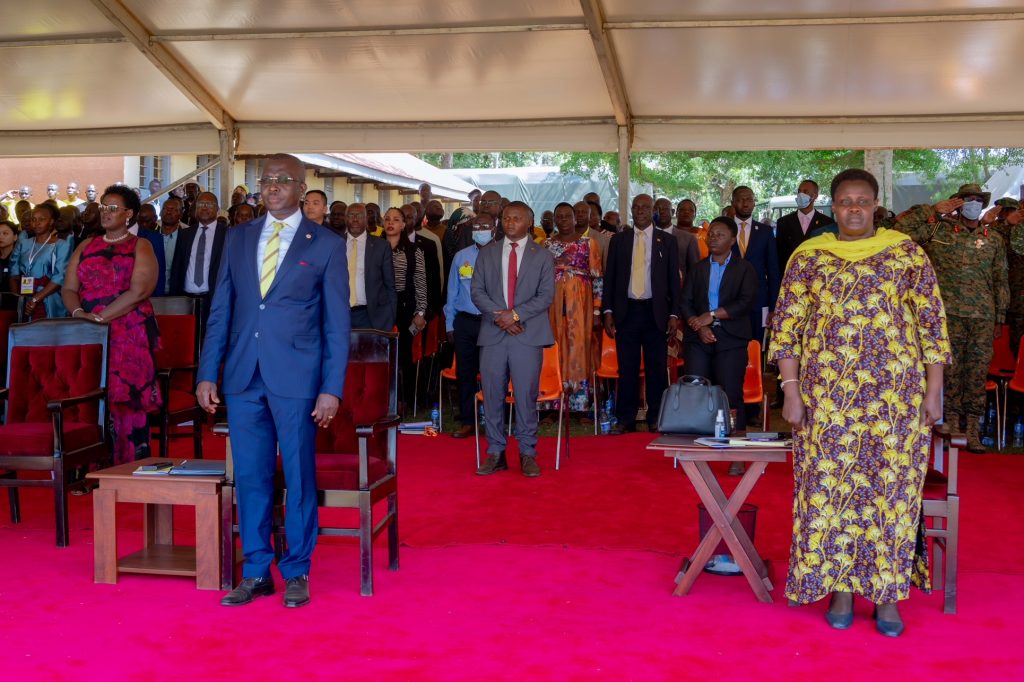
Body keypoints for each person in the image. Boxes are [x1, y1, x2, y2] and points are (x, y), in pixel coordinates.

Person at [769, 168, 949, 638]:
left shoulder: (906, 254)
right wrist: (790, 389)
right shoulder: (809, 257)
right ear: (833, 206)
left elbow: (931, 325)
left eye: (862, 200)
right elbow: (786, 328)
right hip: (828, 400)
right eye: (845, 201)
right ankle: (841, 588)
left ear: (876, 205)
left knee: (891, 494)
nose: (854, 208)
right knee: (828, 492)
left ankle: (887, 595)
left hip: (895, 399)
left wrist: (934, 391)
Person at [197, 153, 350, 609]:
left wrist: (331, 387)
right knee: (250, 477)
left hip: (299, 378)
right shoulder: (239, 237)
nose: (273, 186)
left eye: (284, 180)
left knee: (300, 475)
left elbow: (336, 323)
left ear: (303, 188)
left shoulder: (324, 243)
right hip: (244, 376)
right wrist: (208, 372)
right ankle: (257, 569)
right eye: (266, 180)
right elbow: (221, 308)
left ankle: (298, 569)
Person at [892, 183, 1008, 452]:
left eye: (979, 200)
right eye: (968, 199)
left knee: (977, 373)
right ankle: (952, 425)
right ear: (957, 202)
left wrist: (1000, 316)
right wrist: (932, 210)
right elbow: (900, 233)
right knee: (951, 371)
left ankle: (974, 430)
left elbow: (1001, 278)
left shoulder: (993, 238)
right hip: (947, 314)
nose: (974, 203)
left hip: (982, 315)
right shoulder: (938, 230)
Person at [62, 184, 161, 465]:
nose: (105, 212)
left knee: (125, 400)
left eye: (113, 208)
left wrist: (100, 318)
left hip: (127, 331)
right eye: (103, 207)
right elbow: (69, 288)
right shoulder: (86, 245)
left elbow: (139, 291)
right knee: (86, 397)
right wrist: (80, 313)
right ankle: (90, 466)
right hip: (87, 330)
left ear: (128, 214)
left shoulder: (141, 245)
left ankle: (130, 465)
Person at [472, 201, 555, 477]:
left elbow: (545, 296)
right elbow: (477, 291)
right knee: (493, 395)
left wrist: (515, 315)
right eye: (506, 218)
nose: (509, 223)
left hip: (527, 335)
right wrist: (502, 318)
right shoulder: (488, 252)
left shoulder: (542, 255)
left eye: (516, 218)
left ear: (529, 222)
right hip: (494, 334)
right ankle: (495, 452)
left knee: (525, 396)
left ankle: (527, 452)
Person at [603, 194, 681, 434]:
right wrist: (607, 311)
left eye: (645, 207)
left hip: (655, 313)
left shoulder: (666, 241)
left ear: (653, 211)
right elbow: (610, 278)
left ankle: (656, 417)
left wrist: (674, 314)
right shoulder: (619, 240)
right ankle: (625, 418)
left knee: (656, 368)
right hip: (626, 311)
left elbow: (673, 282)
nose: (640, 211)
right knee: (627, 369)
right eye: (636, 207)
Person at [680, 217, 758, 453]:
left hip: (731, 339)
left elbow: (745, 303)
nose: (713, 238)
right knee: (695, 391)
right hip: (699, 339)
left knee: (730, 395)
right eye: (711, 234)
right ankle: (697, 449)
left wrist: (712, 315)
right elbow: (686, 302)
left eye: (720, 234)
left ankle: (735, 450)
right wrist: (700, 326)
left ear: (733, 240)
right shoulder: (699, 267)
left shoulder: (745, 269)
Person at [545, 202, 603, 414]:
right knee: (554, 347)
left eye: (567, 216)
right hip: (553, 303)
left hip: (580, 304)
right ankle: (552, 405)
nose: (563, 220)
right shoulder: (546, 245)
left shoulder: (589, 244)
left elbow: (598, 279)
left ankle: (580, 406)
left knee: (579, 349)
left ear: (575, 218)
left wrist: (597, 310)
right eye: (559, 217)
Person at [444, 216, 493, 439]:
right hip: (464, 322)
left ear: (495, 229)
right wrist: (449, 324)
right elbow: (452, 292)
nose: (480, 230)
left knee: (493, 373)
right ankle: (468, 420)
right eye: (476, 227)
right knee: (466, 373)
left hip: (492, 322)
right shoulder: (461, 257)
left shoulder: (502, 256)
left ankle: (493, 420)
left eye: (484, 227)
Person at [383, 206, 428, 412]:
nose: (390, 223)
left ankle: (404, 400)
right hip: (379, 308)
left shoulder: (413, 250)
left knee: (403, 358)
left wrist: (420, 312)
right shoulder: (374, 247)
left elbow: (420, 283)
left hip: (404, 307)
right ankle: (382, 400)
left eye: (395, 219)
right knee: (381, 357)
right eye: (387, 219)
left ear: (403, 225)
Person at [731, 186, 780, 351]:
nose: (745, 203)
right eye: (740, 199)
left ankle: (755, 377)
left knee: (756, 347)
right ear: (733, 203)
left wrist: (773, 307)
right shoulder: (723, 229)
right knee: (731, 347)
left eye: (749, 199)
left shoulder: (765, 232)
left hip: (759, 301)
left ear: (754, 203)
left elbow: (773, 272)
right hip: (729, 300)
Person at [170, 192, 227, 333]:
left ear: (217, 208)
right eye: (201, 204)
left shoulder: (227, 234)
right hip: (186, 300)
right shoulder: (185, 234)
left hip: (213, 300)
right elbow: (177, 268)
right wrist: (175, 299)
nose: (204, 207)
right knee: (186, 342)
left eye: (209, 204)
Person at [9, 203, 71, 319]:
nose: (36, 223)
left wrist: (35, 299)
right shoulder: (23, 243)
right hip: (24, 297)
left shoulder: (61, 245)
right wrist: (19, 300)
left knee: (47, 333)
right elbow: (13, 272)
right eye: (33, 219)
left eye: (41, 219)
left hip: (49, 299)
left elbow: (59, 277)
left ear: (51, 222)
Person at [345, 203, 397, 331]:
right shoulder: (335, 243)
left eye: (360, 215)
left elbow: (389, 284)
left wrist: (390, 317)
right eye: (351, 215)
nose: (355, 219)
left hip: (371, 316)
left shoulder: (381, 246)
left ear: (366, 218)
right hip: (340, 314)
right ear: (346, 218)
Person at [775, 179, 835, 274]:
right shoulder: (783, 222)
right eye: (799, 191)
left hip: (817, 277)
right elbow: (778, 254)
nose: (800, 194)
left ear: (815, 196)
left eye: (805, 191)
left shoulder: (827, 223)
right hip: (790, 276)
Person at [654, 197, 700, 285]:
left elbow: (694, 271)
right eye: (657, 209)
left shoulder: (689, 238)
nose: (661, 212)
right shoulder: (644, 235)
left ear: (672, 212)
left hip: (678, 292)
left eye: (665, 209)